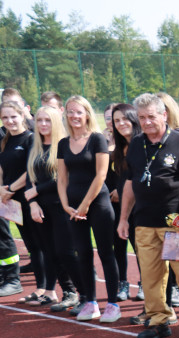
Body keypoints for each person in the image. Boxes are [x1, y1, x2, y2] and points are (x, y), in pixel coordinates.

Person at [116, 93, 179, 338]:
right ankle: (158, 319)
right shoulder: (136, 143)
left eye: (151, 117)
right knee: (151, 276)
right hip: (144, 222)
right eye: (142, 118)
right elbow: (131, 183)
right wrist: (123, 218)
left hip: (176, 221)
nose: (147, 122)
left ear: (164, 115)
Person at [56, 95, 121, 322]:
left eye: (79, 112)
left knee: (105, 253)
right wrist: (65, 205)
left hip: (98, 204)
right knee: (82, 254)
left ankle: (112, 303)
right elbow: (62, 179)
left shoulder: (97, 139)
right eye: (70, 112)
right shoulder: (63, 144)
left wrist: (84, 206)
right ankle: (90, 302)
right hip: (73, 209)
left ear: (87, 114)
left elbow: (101, 175)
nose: (74, 116)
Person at [24, 105, 76, 308]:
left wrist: (37, 191)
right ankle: (65, 292)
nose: (43, 124)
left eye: (47, 120)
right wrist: (33, 202)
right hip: (40, 209)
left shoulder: (63, 144)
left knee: (66, 252)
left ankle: (78, 291)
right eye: (39, 120)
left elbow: (62, 178)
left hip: (60, 206)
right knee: (50, 252)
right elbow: (30, 176)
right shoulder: (35, 146)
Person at [110, 104, 145, 307]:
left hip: (144, 208)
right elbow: (121, 177)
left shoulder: (143, 144)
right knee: (128, 246)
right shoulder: (119, 148)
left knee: (146, 251)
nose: (121, 123)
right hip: (124, 207)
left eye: (125, 118)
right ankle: (128, 283)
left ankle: (148, 286)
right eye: (117, 120)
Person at [0, 100, 32, 297]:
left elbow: (32, 170)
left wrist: (10, 188)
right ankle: (7, 277)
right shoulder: (4, 140)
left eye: (13, 116)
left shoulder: (30, 139)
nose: (9, 121)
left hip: (27, 197)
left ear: (22, 115)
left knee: (39, 244)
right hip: (7, 197)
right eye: (5, 117)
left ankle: (13, 279)